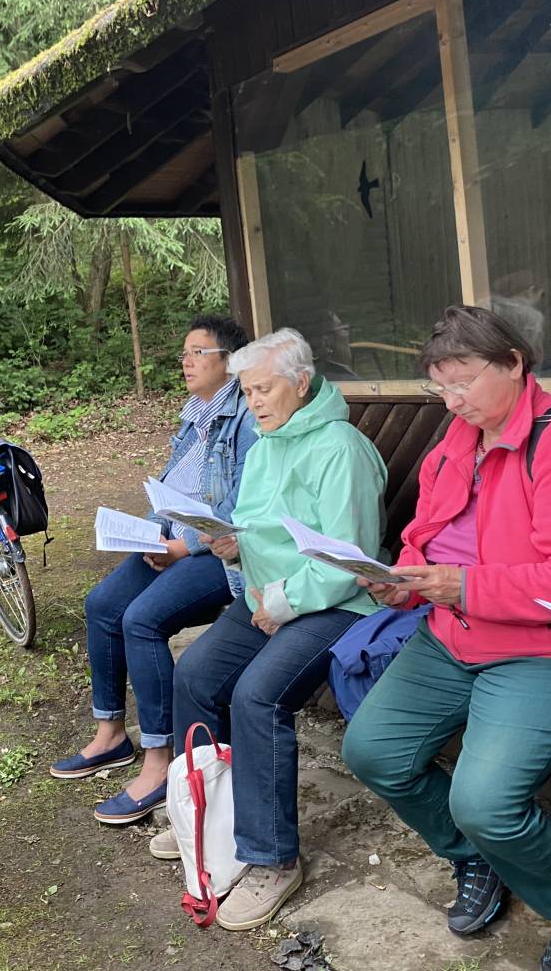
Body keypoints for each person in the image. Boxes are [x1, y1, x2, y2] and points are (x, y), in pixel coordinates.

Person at [340, 305, 551, 971]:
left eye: (465, 380)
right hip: (455, 633)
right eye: (440, 386)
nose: (452, 399)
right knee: (372, 751)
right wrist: (404, 583)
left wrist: (462, 588)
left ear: (514, 363)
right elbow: (426, 535)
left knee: (485, 801)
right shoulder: (456, 439)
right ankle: (476, 858)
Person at [148, 327, 387, 929]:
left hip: (334, 606)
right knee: (196, 674)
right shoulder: (264, 442)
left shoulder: (341, 448)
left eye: (263, 388)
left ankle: (271, 857)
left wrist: (280, 602)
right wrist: (232, 549)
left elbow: (349, 560)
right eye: (246, 390)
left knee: (258, 695)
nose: (252, 401)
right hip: (266, 600)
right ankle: (205, 812)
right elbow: (257, 531)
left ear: (301, 384)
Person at [50, 315, 257, 825]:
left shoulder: (248, 418)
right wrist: (147, 535)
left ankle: (162, 760)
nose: (185, 361)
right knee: (101, 605)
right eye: (184, 352)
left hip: (221, 554)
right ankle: (112, 734)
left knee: (140, 619)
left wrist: (183, 547)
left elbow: (241, 505)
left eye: (197, 352)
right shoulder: (195, 415)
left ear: (229, 363)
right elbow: (171, 489)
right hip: (171, 542)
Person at [489, 270, 546, 365]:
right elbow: (536, 354)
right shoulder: (532, 316)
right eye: (542, 295)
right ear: (530, 291)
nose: (540, 300)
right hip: (521, 368)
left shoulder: (488, 307)